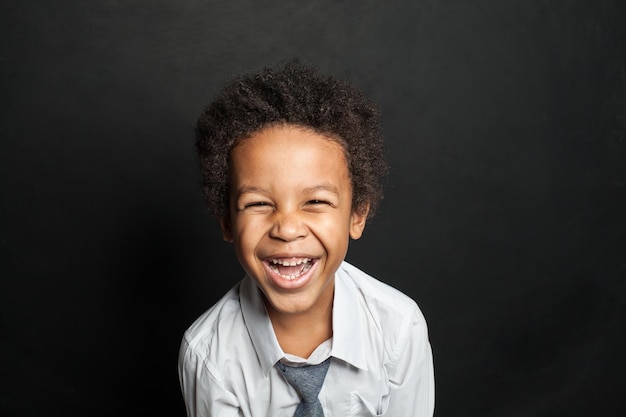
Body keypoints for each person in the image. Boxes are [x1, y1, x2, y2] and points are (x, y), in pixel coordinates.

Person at [178, 60, 435, 417]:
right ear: (227, 222)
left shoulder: (398, 329)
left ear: (356, 215)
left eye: (315, 202)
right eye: (257, 203)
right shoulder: (209, 356)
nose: (287, 228)